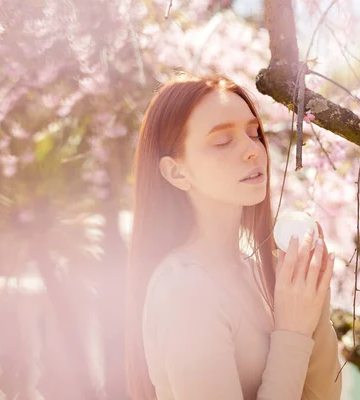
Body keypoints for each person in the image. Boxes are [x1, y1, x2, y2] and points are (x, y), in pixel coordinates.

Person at [125, 72, 342, 400]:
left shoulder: (257, 271)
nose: (253, 151)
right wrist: (292, 331)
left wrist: (312, 302)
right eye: (222, 141)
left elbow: (321, 397)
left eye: (254, 133)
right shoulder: (184, 289)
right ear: (177, 172)